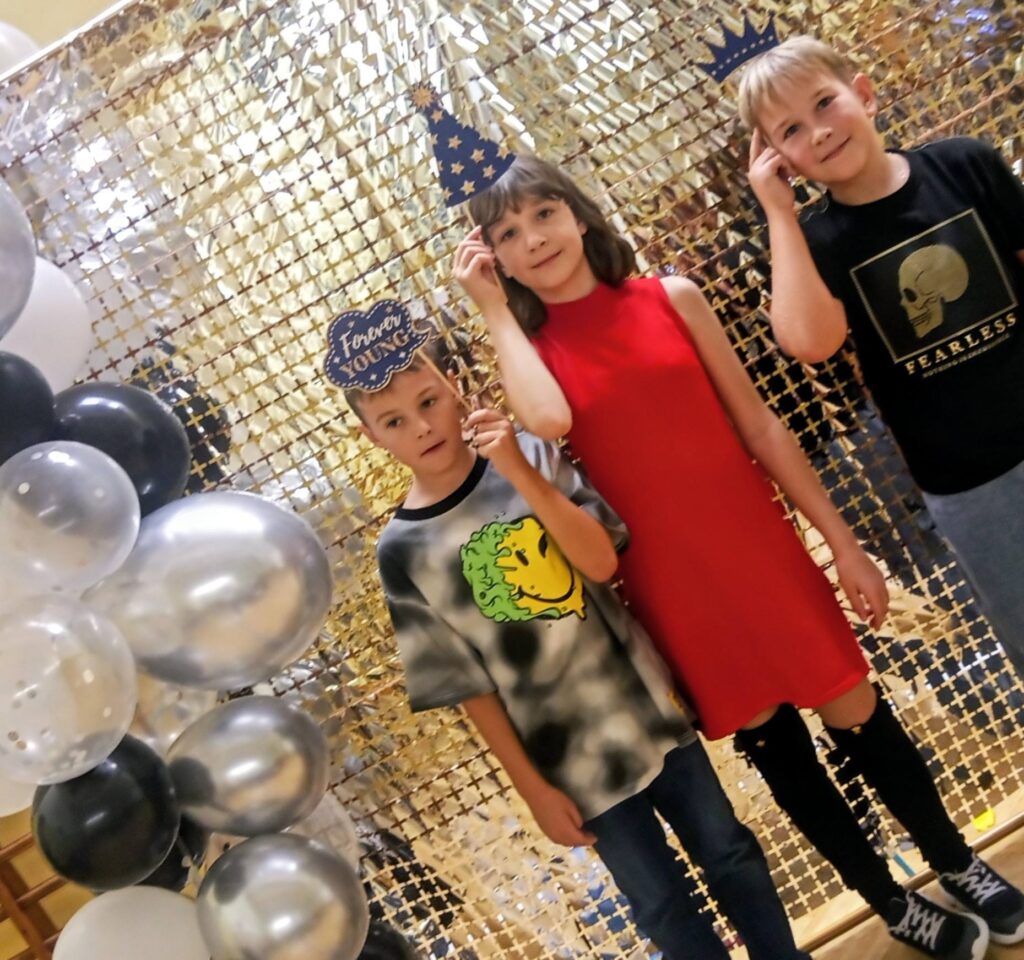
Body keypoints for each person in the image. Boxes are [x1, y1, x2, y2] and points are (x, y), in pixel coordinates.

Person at [453, 152, 1021, 958]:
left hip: (761, 552)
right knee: (781, 754)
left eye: (544, 213)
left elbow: (760, 426)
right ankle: (891, 903)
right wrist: (495, 312)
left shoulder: (670, 298)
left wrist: (843, 543)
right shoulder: (528, 356)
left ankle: (957, 860)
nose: (534, 238)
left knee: (860, 713)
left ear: (577, 214)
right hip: (672, 587)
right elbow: (546, 421)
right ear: (494, 258)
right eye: (508, 233)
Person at [358, 339, 810, 960]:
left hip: (647, 710)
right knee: (657, 901)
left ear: (455, 386)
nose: (421, 427)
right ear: (371, 436)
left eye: (429, 401)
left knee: (728, 851)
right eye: (393, 421)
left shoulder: (531, 455)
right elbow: (468, 687)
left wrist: (517, 470)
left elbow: (600, 561)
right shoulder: (402, 552)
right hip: (570, 758)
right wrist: (533, 789)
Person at [740, 35, 1024, 689]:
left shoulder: (964, 165)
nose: (818, 131)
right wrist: (779, 214)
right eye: (790, 130)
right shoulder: (816, 243)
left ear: (864, 94)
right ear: (777, 158)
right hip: (968, 487)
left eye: (824, 103)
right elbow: (808, 341)